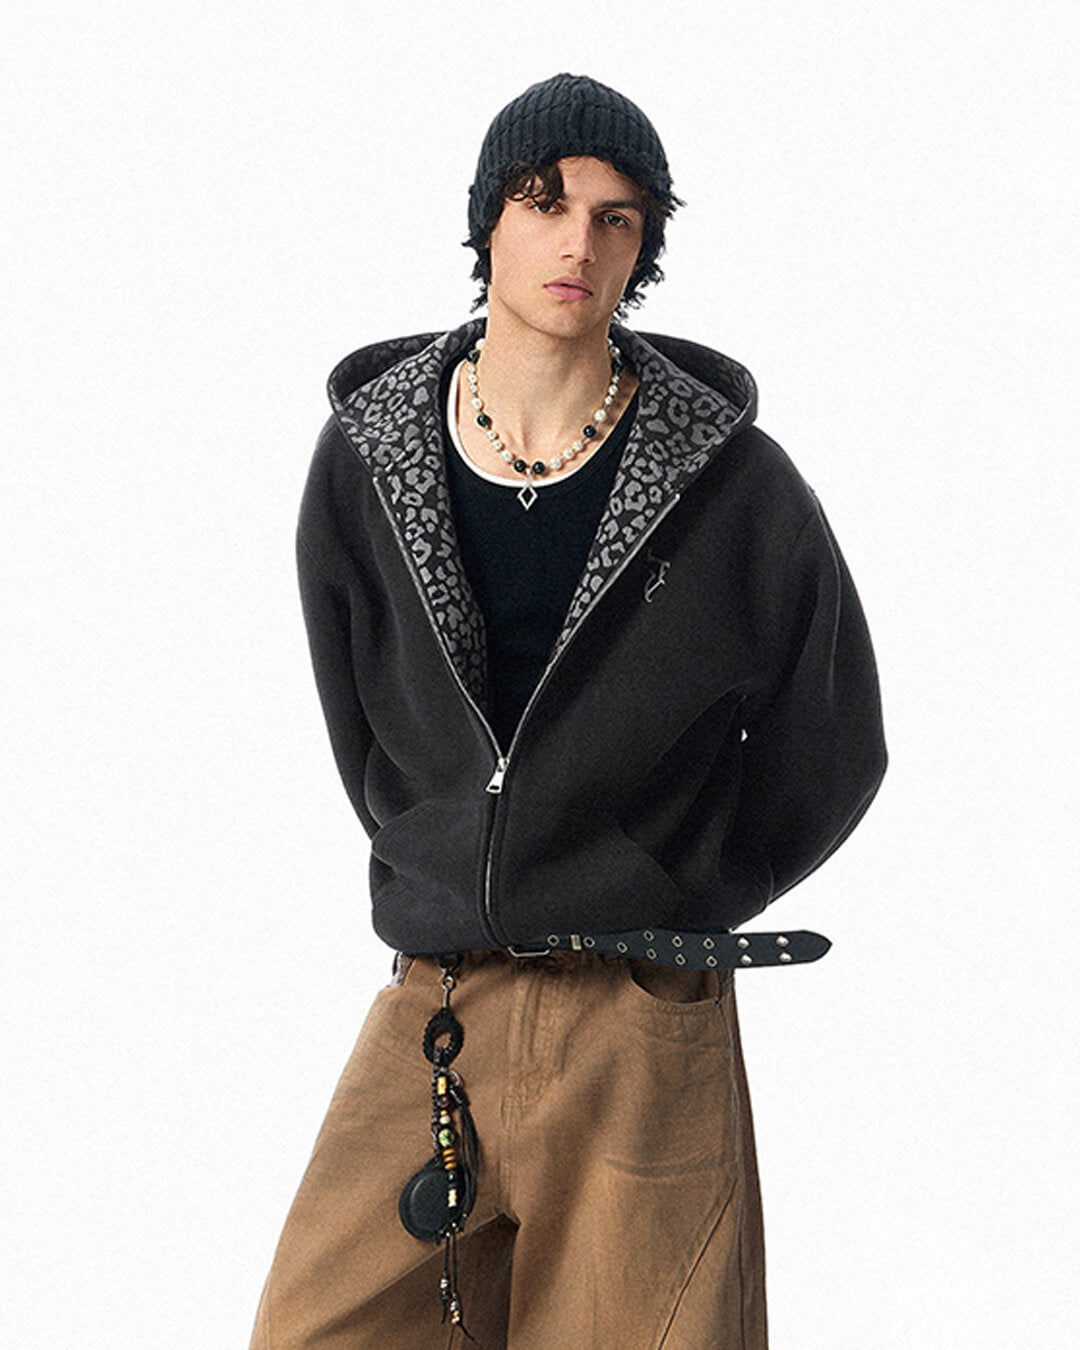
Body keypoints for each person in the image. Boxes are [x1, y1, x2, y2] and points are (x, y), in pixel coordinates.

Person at [250, 72, 886, 1349]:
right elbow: (356, 711)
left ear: (643, 247)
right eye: (546, 203)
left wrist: (675, 881)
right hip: (440, 999)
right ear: (488, 218)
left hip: (638, 1013)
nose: (578, 242)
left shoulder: (736, 485)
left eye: (616, 217)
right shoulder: (370, 457)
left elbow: (835, 739)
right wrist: (448, 858)